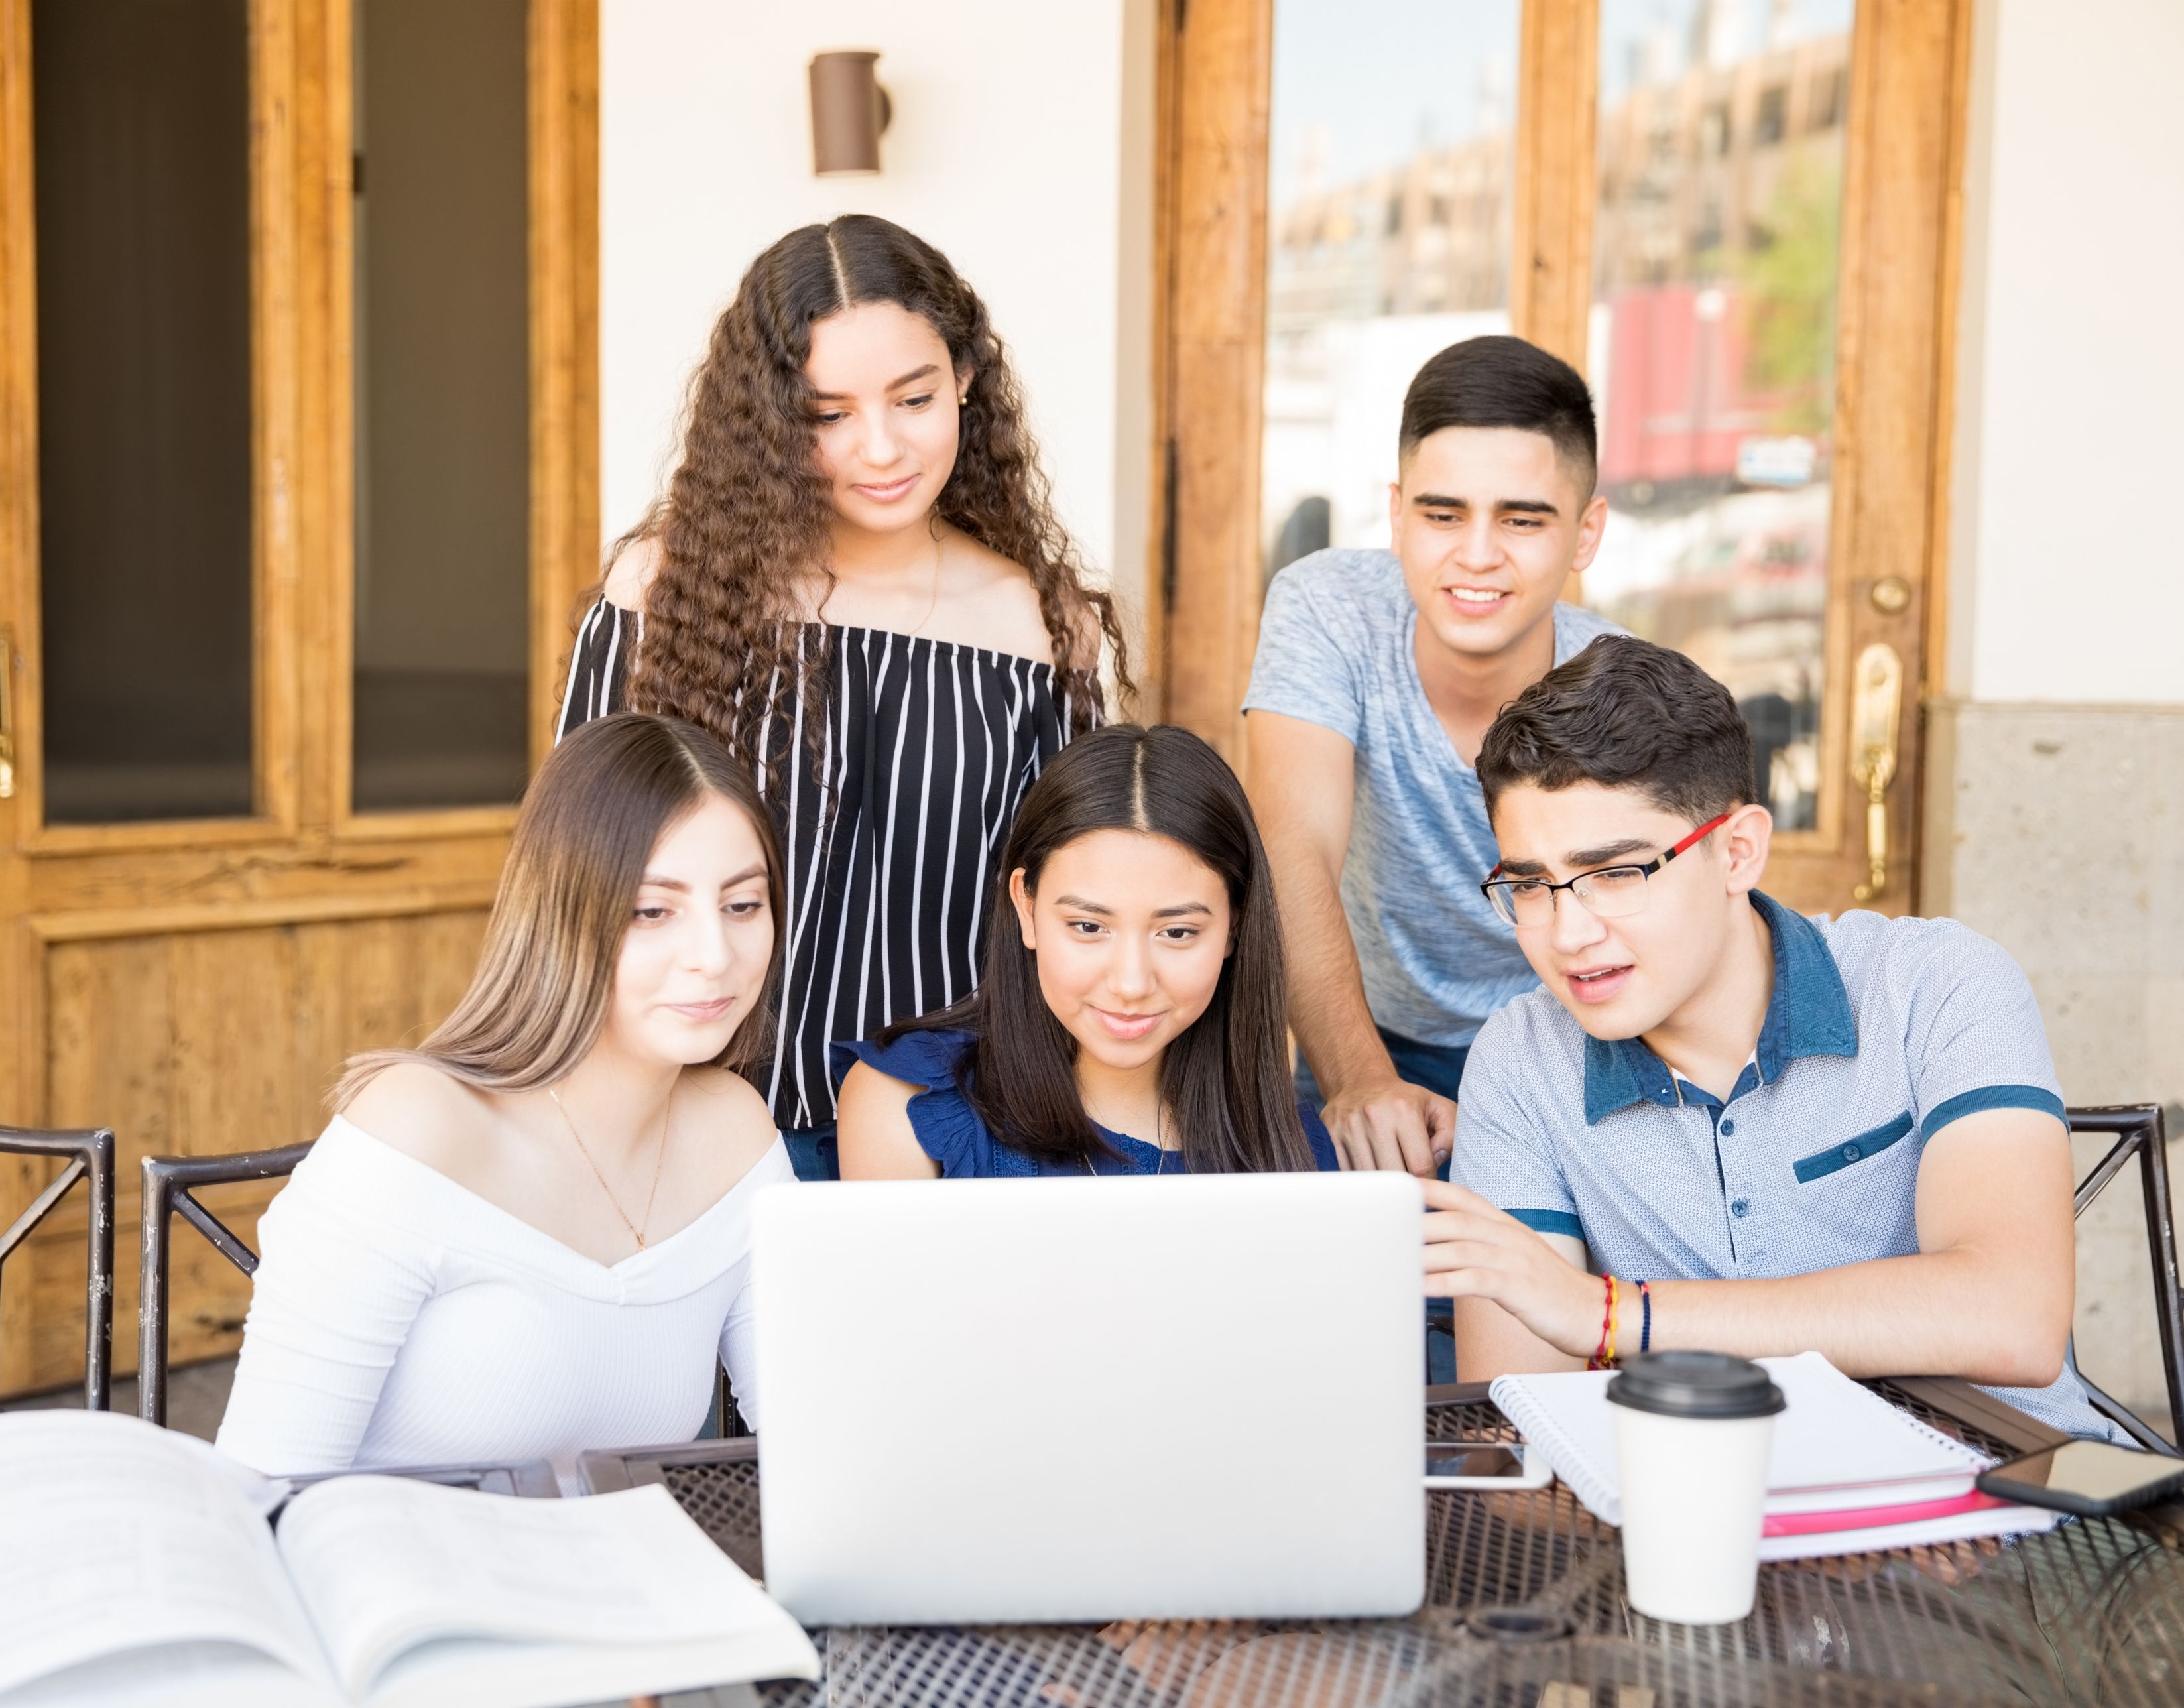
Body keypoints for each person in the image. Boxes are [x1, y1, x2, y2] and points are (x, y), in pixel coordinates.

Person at [1423, 637, 2114, 1439]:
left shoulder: (1938, 982)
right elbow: (1524, 1426)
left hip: (2012, 1502)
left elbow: (2011, 1316)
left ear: (1738, 851)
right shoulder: (1520, 1058)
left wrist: (1614, 1318)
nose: (1568, 932)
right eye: (1531, 885)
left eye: (1616, 873)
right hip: (1707, 1503)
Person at [559, 215, 1128, 1183]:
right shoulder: (668, 587)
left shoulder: (1039, 624)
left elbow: (1069, 902)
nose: (881, 448)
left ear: (965, 381)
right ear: (772, 421)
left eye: (914, 398)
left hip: (939, 1131)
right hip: (686, 1118)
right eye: (828, 416)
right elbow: (579, 875)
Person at [216, 714, 795, 1486]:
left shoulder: (735, 1132)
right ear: (563, 915)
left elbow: (813, 1443)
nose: (715, 955)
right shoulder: (417, 1125)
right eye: (653, 911)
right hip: (391, 1591)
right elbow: (259, 1490)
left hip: (614, 1588)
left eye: (743, 904)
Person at [1243, 335, 1624, 1179]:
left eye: (1522, 519)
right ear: (1397, 512)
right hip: (1364, 1036)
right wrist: (1362, 1079)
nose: (1477, 554)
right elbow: (1292, 846)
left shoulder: (1619, 681)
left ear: (1586, 532)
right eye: (1442, 514)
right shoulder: (1328, 608)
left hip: (1573, 1045)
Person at [835, 723, 1336, 1178]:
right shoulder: (907, 1105)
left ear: (1234, 926)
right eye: (1089, 926)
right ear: (1026, 909)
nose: (1131, 983)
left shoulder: (1296, 1146)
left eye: (1177, 933)